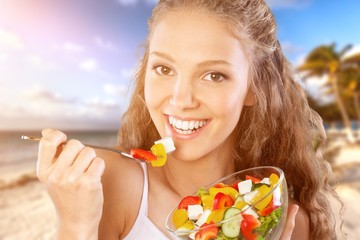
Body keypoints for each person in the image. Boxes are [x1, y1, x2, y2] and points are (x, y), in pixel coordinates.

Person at [37, 0, 344, 239]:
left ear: (254, 86)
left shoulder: (282, 220)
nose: (181, 100)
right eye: (164, 69)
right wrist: (75, 225)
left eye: (213, 75)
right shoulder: (112, 185)